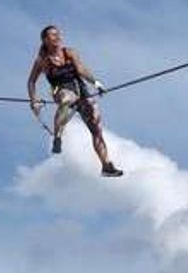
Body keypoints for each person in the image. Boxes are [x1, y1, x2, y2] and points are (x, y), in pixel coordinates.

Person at [27, 25, 123, 177]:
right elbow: (31, 81)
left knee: (96, 129)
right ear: (45, 40)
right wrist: (34, 100)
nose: (58, 37)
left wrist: (96, 82)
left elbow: (81, 70)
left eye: (58, 34)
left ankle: (106, 165)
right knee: (67, 99)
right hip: (60, 90)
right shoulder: (42, 61)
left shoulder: (69, 52)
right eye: (53, 35)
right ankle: (58, 136)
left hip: (81, 90)